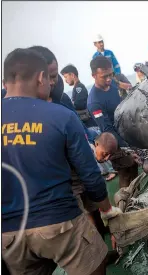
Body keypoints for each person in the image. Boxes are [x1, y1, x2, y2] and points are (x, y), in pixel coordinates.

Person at [2, 48, 122, 275]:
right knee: (94, 263)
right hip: (58, 222)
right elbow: (89, 173)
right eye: (51, 77)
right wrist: (106, 209)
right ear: (40, 77)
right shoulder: (60, 115)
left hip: (8, 234)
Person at [88, 56, 139, 188]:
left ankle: (134, 200)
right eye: (104, 76)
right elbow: (107, 130)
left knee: (134, 172)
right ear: (94, 75)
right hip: (114, 144)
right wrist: (127, 148)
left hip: (126, 135)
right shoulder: (94, 101)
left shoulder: (112, 86)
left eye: (110, 75)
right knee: (125, 175)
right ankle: (126, 205)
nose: (108, 79)